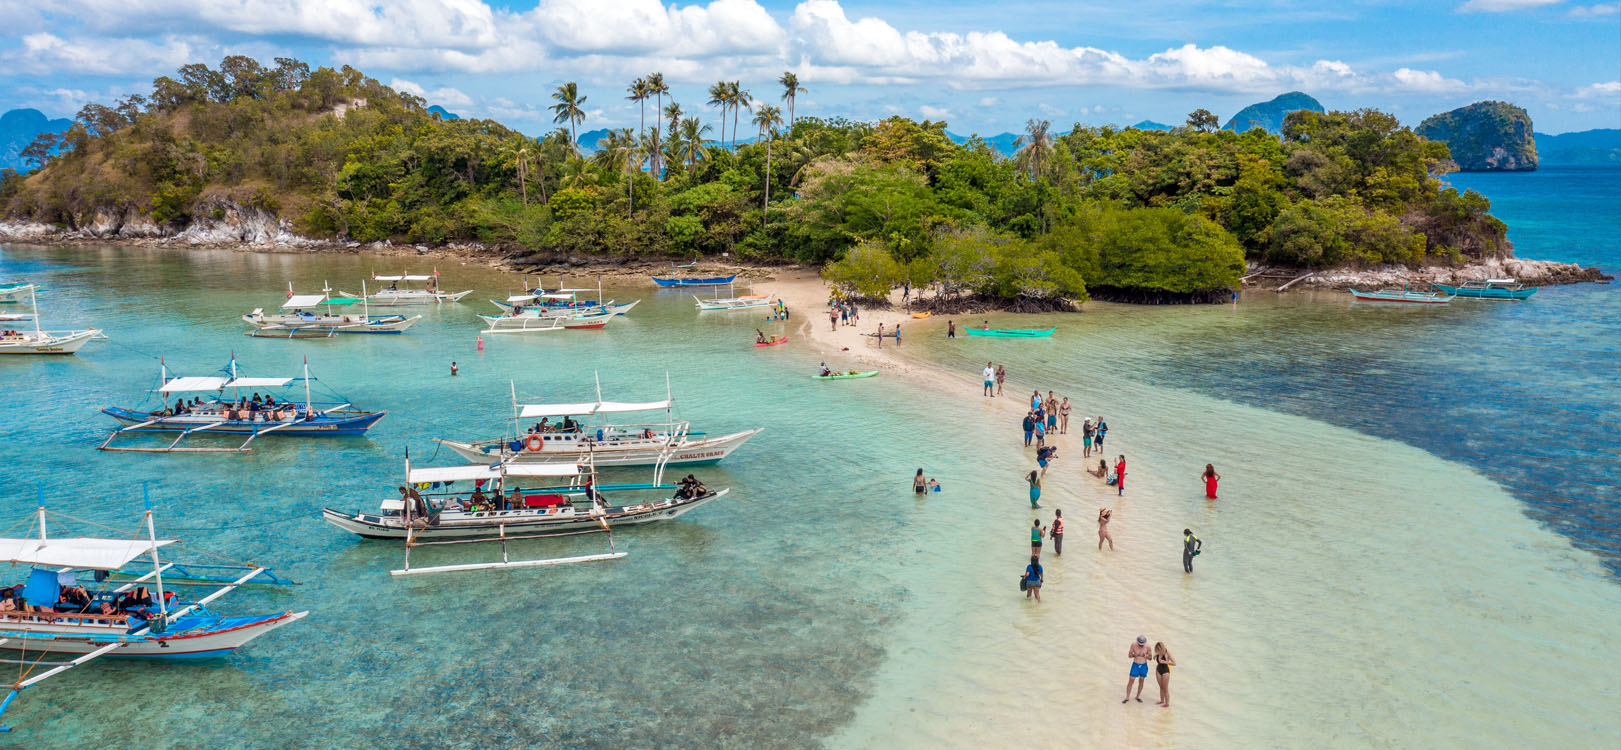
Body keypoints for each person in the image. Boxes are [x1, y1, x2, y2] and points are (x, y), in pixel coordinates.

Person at [1125, 636, 1152, 703]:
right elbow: (1129, 656)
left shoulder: (1148, 647)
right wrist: (1134, 655)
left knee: (1141, 680)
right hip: (1135, 665)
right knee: (1131, 680)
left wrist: (1146, 656)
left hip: (1143, 665)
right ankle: (1127, 697)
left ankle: (1137, 696)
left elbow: (1150, 658)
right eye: (1140, 644)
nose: (1141, 645)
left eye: (1142, 644)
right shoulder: (1133, 645)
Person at [1153, 642, 1177, 707]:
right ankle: (1161, 701)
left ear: (1161, 648)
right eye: (1156, 650)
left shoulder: (1167, 652)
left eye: (1158, 650)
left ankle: (1167, 704)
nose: (1157, 651)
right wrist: (1155, 656)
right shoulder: (1158, 652)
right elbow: (1156, 655)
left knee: (1165, 688)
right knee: (1161, 687)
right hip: (1158, 670)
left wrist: (1165, 662)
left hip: (1165, 671)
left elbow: (1174, 663)